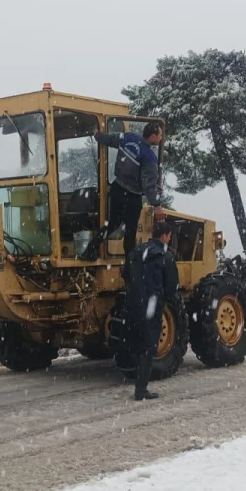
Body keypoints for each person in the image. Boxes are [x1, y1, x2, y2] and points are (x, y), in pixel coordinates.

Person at [80, 122, 163, 261]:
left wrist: (97, 135)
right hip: (132, 197)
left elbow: (110, 140)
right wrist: (157, 205)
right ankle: (130, 267)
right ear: (153, 136)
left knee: (112, 224)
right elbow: (148, 185)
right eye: (160, 135)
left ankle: (90, 250)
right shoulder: (149, 158)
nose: (161, 138)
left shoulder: (129, 137)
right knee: (130, 233)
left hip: (117, 188)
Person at [124, 220, 179, 401]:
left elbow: (125, 274)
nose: (169, 240)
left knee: (136, 343)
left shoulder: (135, 251)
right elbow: (171, 287)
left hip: (133, 304)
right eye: (169, 236)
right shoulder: (166, 256)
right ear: (164, 236)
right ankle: (141, 389)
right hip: (152, 306)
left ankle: (134, 378)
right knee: (148, 347)